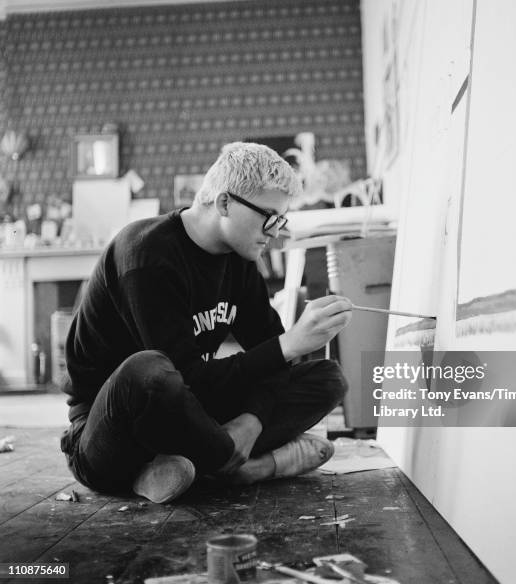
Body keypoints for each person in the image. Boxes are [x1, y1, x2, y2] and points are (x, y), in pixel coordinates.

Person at [60, 142, 353, 504]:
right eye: (269, 217)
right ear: (225, 202)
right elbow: (182, 376)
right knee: (149, 369)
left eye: (281, 219)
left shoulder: (240, 259)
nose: (275, 231)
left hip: (191, 411)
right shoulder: (146, 255)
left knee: (327, 378)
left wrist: (253, 419)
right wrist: (289, 345)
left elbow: (271, 357)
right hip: (109, 435)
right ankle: (245, 468)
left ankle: (186, 467)